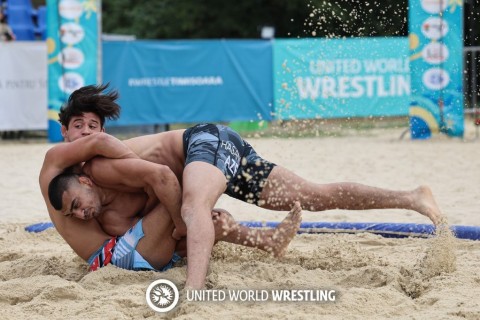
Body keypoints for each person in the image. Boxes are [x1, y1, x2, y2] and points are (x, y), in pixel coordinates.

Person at [58, 84, 444, 289]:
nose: (87, 133)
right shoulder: (85, 177)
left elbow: (163, 179)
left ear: (102, 132)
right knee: (317, 195)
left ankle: (194, 292)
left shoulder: (98, 166)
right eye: (79, 126)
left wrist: (182, 223)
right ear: (65, 131)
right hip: (216, 154)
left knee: (192, 212)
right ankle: (411, 197)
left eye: (93, 126)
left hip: (203, 143)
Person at [46, 159, 302, 272]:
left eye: (78, 204)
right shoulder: (108, 219)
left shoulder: (109, 181)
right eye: (74, 212)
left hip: (140, 256)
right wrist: (185, 222)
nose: (81, 214)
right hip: (124, 256)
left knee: (216, 222)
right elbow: (165, 186)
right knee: (181, 182)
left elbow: (159, 236)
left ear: (85, 182)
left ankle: (269, 241)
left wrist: (196, 223)